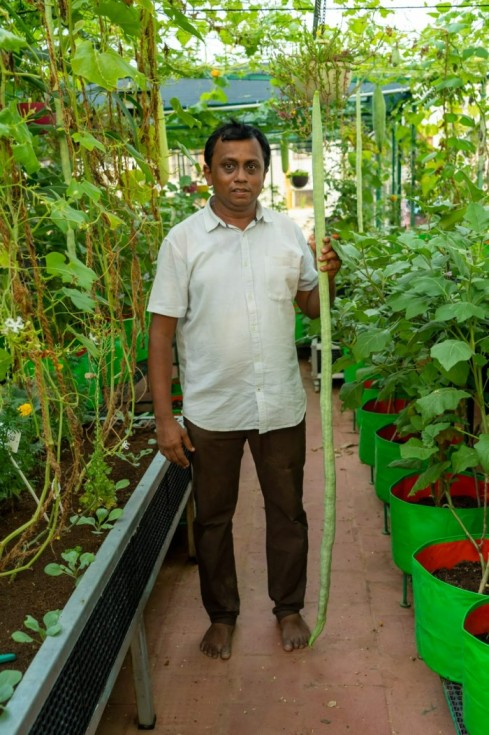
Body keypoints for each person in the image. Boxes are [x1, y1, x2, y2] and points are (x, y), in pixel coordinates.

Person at [147, 120, 341, 660]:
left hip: (279, 401)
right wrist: (167, 420)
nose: (240, 177)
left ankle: (288, 608)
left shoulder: (286, 232)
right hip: (212, 407)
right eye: (228, 166)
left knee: (288, 511)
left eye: (251, 166)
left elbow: (310, 304)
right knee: (212, 516)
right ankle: (222, 616)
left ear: (265, 172)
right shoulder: (182, 242)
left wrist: (328, 275)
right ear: (208, 171)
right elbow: (161, 335)